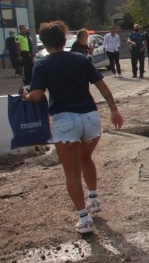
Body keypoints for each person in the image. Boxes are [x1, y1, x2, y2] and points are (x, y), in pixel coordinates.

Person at [21, 20, 124, 234]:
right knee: (86, 158)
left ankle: (84, 219)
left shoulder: (42, 64)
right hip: (90, 118)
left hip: (65, 121)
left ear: (44, 42)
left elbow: (37, 95)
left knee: (71, 172)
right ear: (63, 39)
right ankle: (93, 199)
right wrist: (114, 109)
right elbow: (102, 85)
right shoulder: (81, 59)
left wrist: (26, 95)